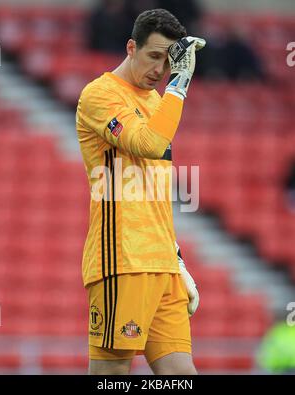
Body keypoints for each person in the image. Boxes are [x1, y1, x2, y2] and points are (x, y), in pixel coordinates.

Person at [76, 9, 204, 375]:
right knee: (110, 380)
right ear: (131, 47)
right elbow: (147, 144)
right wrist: (179, 83)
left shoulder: (154, 102)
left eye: (170, 61)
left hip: (162, 265)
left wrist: (175, 258)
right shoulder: (100, 95)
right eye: (154, 56)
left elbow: (155, 193)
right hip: (123, 262)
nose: (161, 70)